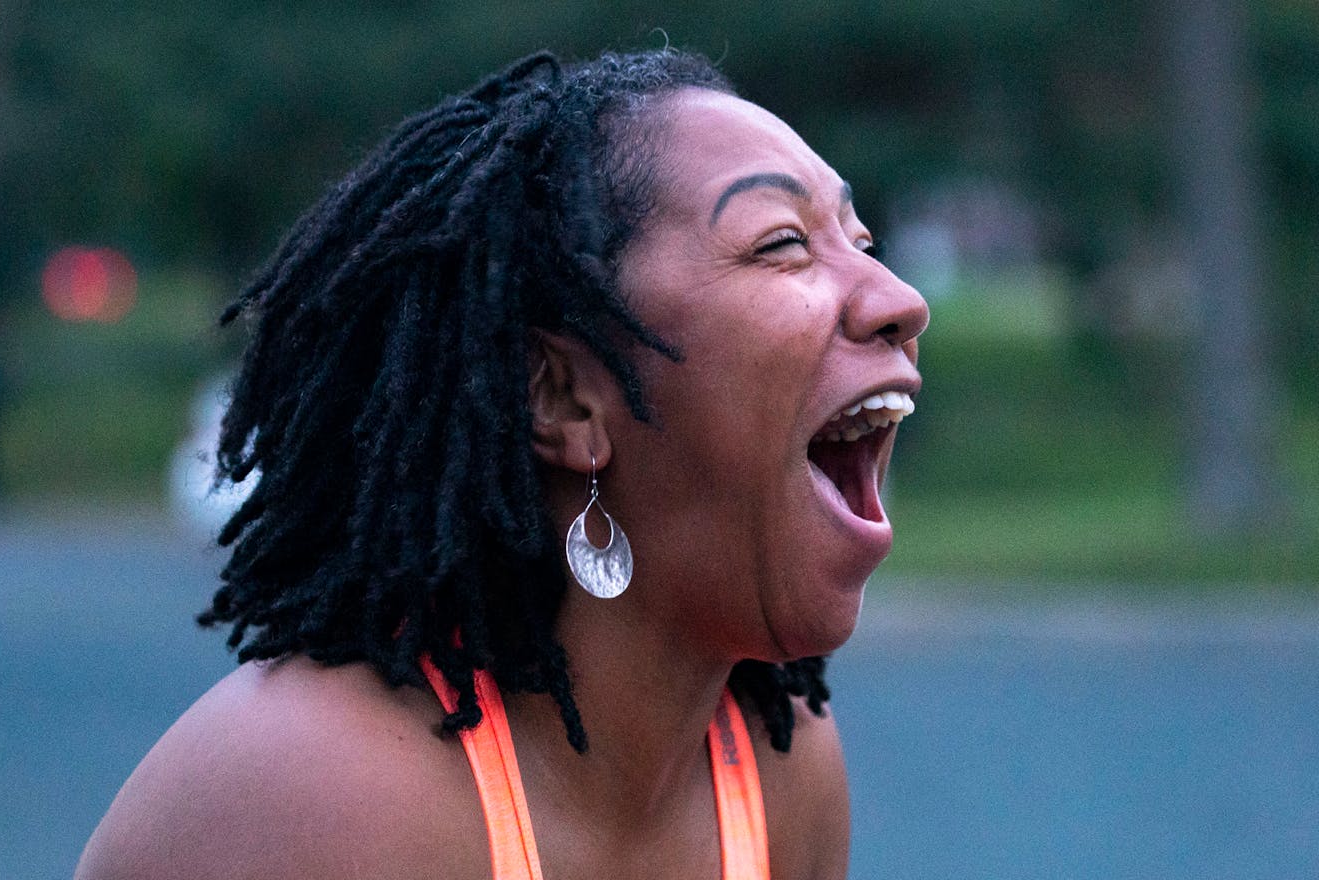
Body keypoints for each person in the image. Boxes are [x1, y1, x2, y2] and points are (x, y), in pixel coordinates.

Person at [76, 47, 927, 880]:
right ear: (564, 400)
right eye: (781, 244)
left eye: (860, 239)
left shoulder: (778, 768)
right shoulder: (320, 794)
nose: (898, 300)